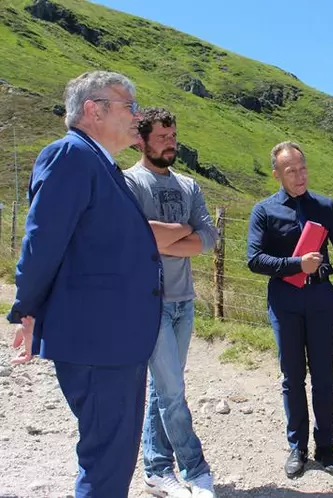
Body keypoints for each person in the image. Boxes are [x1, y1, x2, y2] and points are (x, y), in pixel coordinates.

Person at [6, 71, 162, 497]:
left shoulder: (99, 163)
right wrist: (27, 310)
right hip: (99, 341)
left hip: (113, 340)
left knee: (113, 457)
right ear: (93, 110)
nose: (138, 115)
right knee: (106, 462)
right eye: (129, 105)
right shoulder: (70, 155)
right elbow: (42, 241)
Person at [124, 107, 219, 498]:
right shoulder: (129, 182)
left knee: (167, 388)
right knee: (172, 391)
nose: (170, 144)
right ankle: (195, 469)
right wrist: (184, 230)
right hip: (149, 302)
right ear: (141, 140)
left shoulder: (188, 185)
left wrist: (165, 237)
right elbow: (136, 236)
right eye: (162, 137)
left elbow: (209, 237)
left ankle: (156, 468)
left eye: (173, 137)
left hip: (184, 300)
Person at [246, 141, 333, 478]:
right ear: (277, 174)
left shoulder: (326, 206)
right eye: (290, 170)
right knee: (293, 378)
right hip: (285, 302)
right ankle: (298, 448)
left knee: (323, 376)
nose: (299, 175)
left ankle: (327, 448)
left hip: (322, 300)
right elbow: (254, 259)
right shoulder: (264, 211)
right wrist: (297, 265)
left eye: (302, 167)